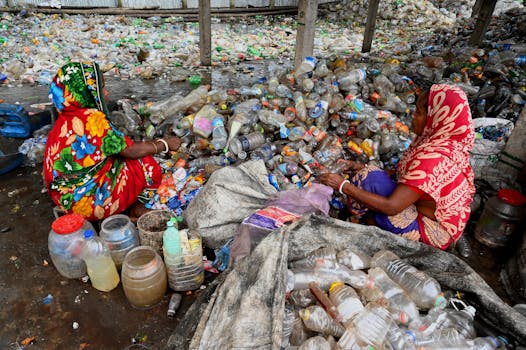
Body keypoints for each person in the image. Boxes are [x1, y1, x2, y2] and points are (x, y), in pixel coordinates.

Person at [320, 84, 475, 250]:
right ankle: (368, 217)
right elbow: (406, 175)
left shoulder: (434, 158)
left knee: (371, 192)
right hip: (432, 213)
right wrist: (358, 166)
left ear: (436, 118)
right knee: (371, 174)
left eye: (420, 113)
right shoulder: (444, 142)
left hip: (431, 232)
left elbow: (391, 207)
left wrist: (343, 186)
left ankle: (371, 223)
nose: (413, 117)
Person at [43, 61, 181, 221]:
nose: (106, 93)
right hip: (90, 206)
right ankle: (137, 207)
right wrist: (164, 144)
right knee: (146, 164)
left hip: (63, 200)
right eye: (101, 87)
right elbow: (131, 151)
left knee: (115, 159)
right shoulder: (91, 119)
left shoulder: (64, 119)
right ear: (85, 91)